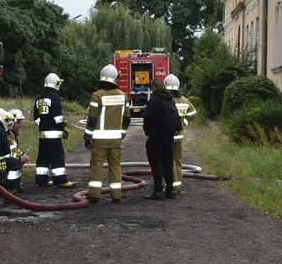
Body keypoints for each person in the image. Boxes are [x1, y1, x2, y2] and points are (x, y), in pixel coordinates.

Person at [84, 64, 131, 203]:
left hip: (99, 141)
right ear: (115, 79)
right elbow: (127, 119)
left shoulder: (97, 95)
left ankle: (94, 194)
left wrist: (87, 137)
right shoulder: (123, 96)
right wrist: (122, 133)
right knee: (115, 165)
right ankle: (116, 194)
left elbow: (92, 119)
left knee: (97, 165)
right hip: (116, 140)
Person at [142, 76, 181, 199]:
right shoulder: (170, 99)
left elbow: (148, 117)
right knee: (168, 164)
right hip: (169, 137)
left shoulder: (154, 99)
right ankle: (170, 190)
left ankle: (158, 190)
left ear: (153, 87)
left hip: (156, 136)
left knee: (156, 163)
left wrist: (148, 132)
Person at [33, 72, 74, 188]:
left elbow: (36, 118)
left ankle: (42, 180)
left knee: (43, 157)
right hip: (54, 134)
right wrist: (63, 128)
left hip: (43, 134)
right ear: (56, 84)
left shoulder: (39, 98)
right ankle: (61, 180)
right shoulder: (54, 97)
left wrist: (44, 124)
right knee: (57, 156)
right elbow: (58, 117)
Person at [164, 75, 197, 193]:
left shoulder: (167, 100)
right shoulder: (184, 100)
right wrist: (185, 122)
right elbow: (193, 112)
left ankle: (173, 185)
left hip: (169, 135)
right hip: (179, 136)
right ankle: (178, 183)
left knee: (169, 160)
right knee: (177, 160)